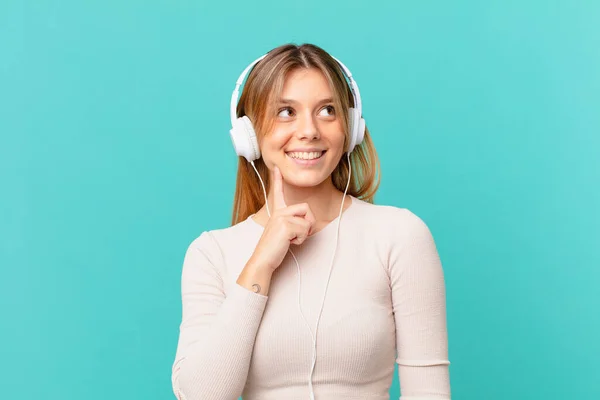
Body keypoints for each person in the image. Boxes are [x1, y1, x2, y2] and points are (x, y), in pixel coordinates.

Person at [170, 43, 451, 400]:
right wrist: (260, 264)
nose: (309, 131)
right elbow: (200, 396)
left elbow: (429, 392)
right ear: (249, 135)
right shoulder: (212, 253)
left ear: (350, 129)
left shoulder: (399, 235)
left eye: (327, 111)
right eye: (286, 112)